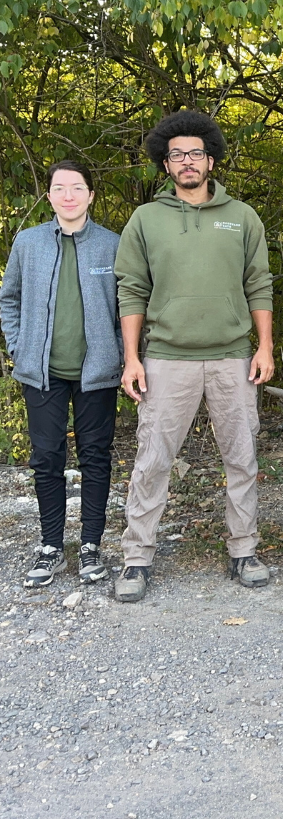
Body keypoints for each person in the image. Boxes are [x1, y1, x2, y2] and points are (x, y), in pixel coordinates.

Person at [113, 111, 275, 603]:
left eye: (196, 153)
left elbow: (259, 284)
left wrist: (265, 346)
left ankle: (243, 549)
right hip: (165, 358)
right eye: (177, 154)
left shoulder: (242, 216)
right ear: (166, 164)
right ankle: (137, 558)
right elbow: (132, 290)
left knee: (242, 458)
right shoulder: (146, 219)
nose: (188, 161)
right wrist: (132, 358)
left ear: (210, 160)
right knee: (152, 461)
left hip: (232, 358)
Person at [0, 160, 121, 588]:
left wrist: (122, 354)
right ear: (50, 196)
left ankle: (90, 545)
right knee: (47, 458)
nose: (68, 195)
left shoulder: (112, 245)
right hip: (42, 373)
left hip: (97, 374)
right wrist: (19, 345)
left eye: (77, 187)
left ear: (90, 195)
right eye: (59, 188)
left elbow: (130, 308)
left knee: (95, 457)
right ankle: (51, 545)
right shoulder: (28, 243)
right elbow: (8, 298)